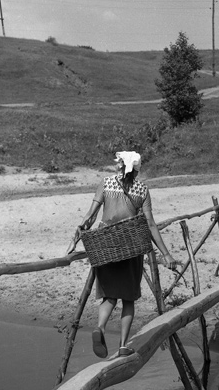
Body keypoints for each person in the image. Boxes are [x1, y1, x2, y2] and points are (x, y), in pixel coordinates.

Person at [75, 151, 179, 359]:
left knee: (109, 296)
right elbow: (150, 224)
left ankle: (101, 328)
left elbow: (91, 214)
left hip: (105, 245)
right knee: (129, 299)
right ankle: (123, 346)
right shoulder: (142, 189)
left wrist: (81, 228)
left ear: (120, 165)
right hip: (130, 247)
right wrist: (166, 254)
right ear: (137, 168)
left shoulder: (106, 184)